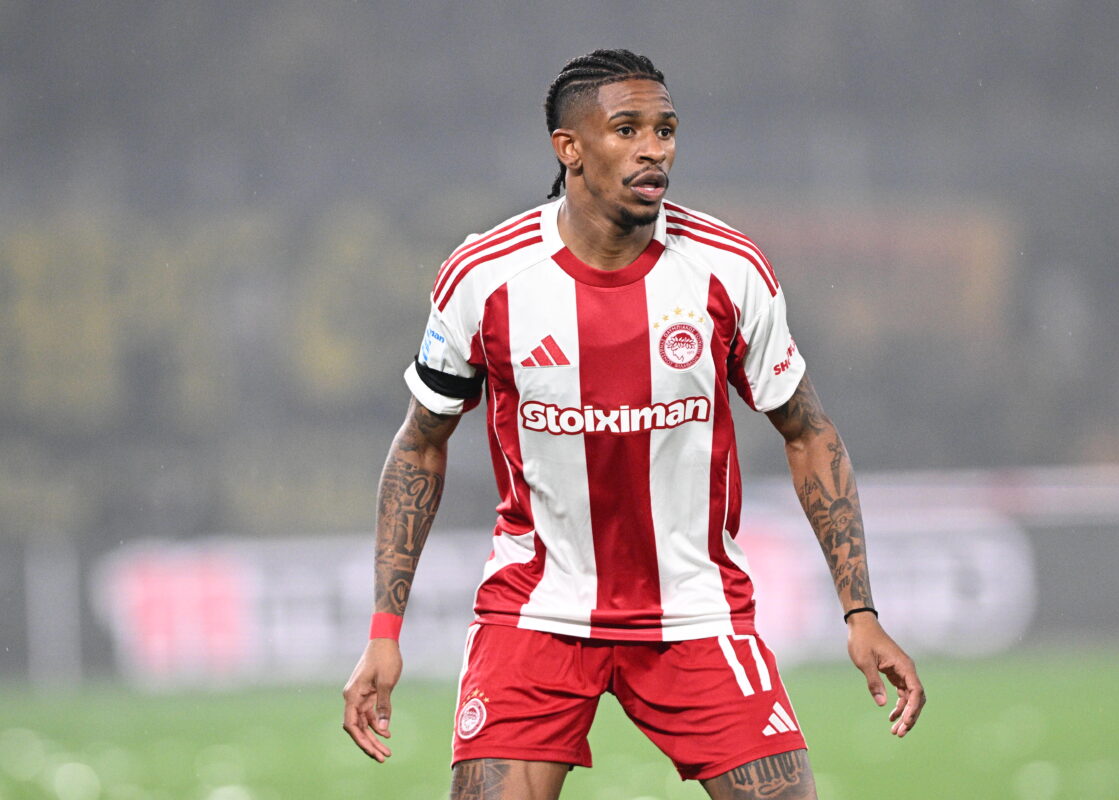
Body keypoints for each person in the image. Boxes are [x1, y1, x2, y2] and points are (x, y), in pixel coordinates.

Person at [342, 48, 925, 800]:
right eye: (628, 130)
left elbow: (809, 433)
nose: (655, 149)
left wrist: (860, 612)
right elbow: (420, 444)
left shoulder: (729, 270)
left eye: (666, 129)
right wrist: (384, 633)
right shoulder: (485, 277)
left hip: (696, 613)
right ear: (570, 148)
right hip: (537, 615)